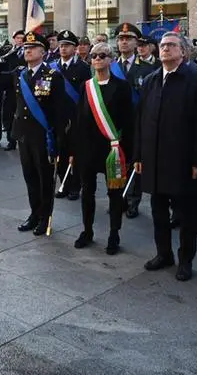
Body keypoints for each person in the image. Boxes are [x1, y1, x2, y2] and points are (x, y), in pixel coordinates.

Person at [135, 31, 197, 282]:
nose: (165, 49)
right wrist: (138, 155)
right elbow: (141, 120)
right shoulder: (150, 80)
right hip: (155, 159)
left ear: (184, 51)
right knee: (158, 212)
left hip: (184, 160)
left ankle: (186, 260)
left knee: (187, 215)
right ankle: (163, 254)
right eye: (162, 45)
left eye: (171, 45)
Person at [2, 31, 68, 236]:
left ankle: (44, 216)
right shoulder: (20, 74)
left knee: (44, 179)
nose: (27, 51)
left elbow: (59, 111)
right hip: (23, 134)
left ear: (43, 51)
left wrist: (58, 139)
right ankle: (33, 213)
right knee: (29, 176)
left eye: (32, 48)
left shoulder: (52, 75)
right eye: (25, 48)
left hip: (43, 136)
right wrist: (7, 55)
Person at [73, 42, 134, 254]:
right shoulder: (86, 86)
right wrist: (74, 151)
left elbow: (129, 121)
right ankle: (87, 230)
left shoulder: (122, 86)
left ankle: (114, 234)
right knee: (87, 192)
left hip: (113, 150)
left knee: (115, 193)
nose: (97, 59)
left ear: (111, 59)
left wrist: (131, 152)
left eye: (103, 55)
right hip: (88, 149)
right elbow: (79, 119)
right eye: (94, 56)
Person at [110, 22, 156, 217]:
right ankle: (116, 198)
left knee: (135, 162)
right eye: (121, 39)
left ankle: (133, 200)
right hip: (113, 124)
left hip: (136, 123)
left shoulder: (147, 68)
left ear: (136, 43)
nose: (124, 42)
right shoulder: (110, 66)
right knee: (115, 162)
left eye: (128, 39)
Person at [50, 30, 91, 201]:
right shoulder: (51, 66)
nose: (63, 49)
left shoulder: (82, 68)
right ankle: (64, 184)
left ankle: (75, 186)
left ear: (75, 48)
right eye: (61, 45)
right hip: (57, 117)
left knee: (75, 154)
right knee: (60, 153)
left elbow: (86, 95)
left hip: (75, 117)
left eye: (67, 45)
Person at [0, 30, 27, 151]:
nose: (20, 40)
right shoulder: (8, 52)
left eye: (22, 38)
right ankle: (11, 141)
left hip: (25, 89)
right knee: (9, 115)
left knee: (23, 115)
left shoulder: (28, 52)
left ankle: (23, 139)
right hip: (11, 89)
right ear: (14, 39)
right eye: (18, 38)